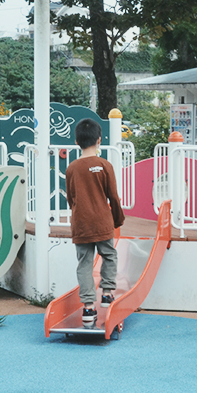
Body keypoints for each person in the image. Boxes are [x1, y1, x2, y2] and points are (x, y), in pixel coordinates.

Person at [66, 118, 126, 329]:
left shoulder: (72, 168)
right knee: (109, 255)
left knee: (84, 262)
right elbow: (114, 197)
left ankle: (89, 308)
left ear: (76, 141)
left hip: (81, 224)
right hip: (102, 222)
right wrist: (118, 219)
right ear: (99, 140)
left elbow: (71, 198)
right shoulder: (104, 165)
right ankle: (108, 293)